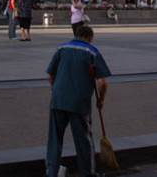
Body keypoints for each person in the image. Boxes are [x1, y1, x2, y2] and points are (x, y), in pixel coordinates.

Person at [45, 25, 111, 177]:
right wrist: (100, 100)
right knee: (83, 141)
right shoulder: (91, 51)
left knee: (55, 140)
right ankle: (87, 173)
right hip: (79, 104)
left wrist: (55, 91)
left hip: (57, 100)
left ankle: (52, 172)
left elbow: (50, 75)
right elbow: (102, 82)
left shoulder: (61, 48)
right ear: (89, 38)